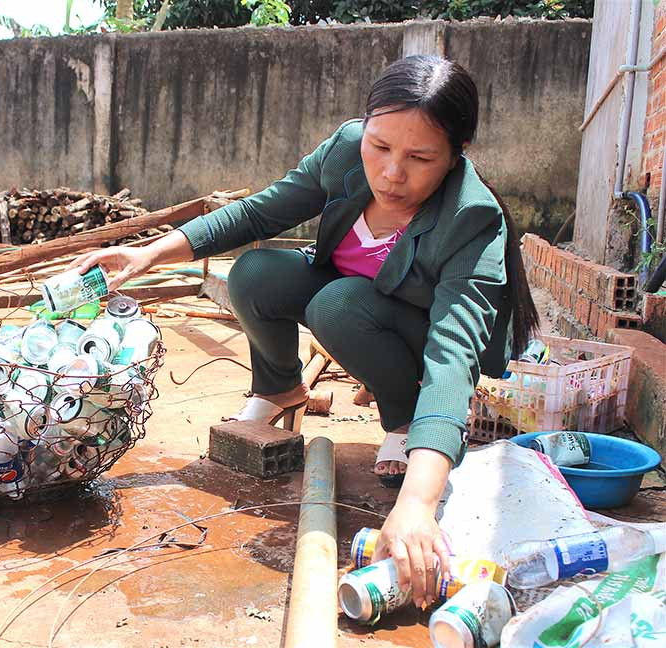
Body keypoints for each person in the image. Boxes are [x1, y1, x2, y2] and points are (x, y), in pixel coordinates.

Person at [67, 55, 539, 610]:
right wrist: (150, 251)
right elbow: (259, 213)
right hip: (353, 302)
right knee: (255, 272)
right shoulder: (344, 150)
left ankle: (405, 418)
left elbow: (453, 352)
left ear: (456, 155)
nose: (391, 172)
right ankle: (278, 388)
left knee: (338, 304)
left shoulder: (471, 218)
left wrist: (417, 501)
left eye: (420, 158)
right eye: (380, 146)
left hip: (417, 335)